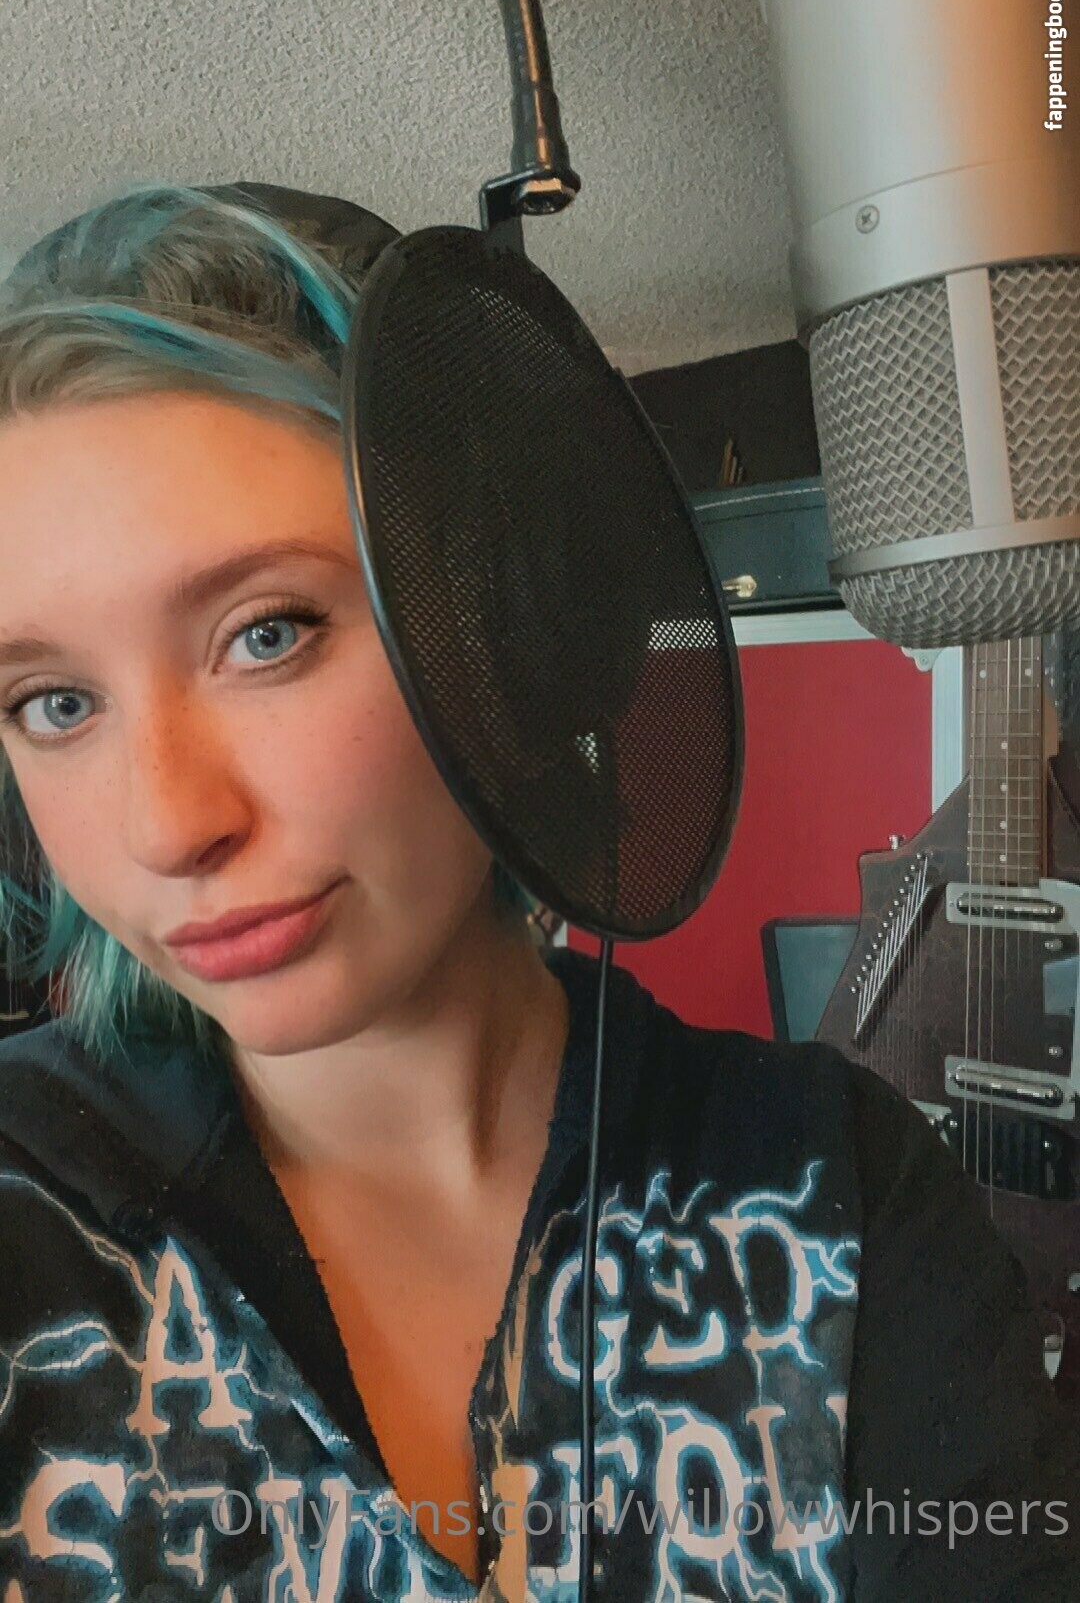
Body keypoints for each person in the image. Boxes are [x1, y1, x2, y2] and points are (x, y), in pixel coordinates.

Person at [0, 181, 1074, 1603]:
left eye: (268, 633)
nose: (167, 825)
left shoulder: (840, 1194)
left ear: (513, 641)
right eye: (55, 703)